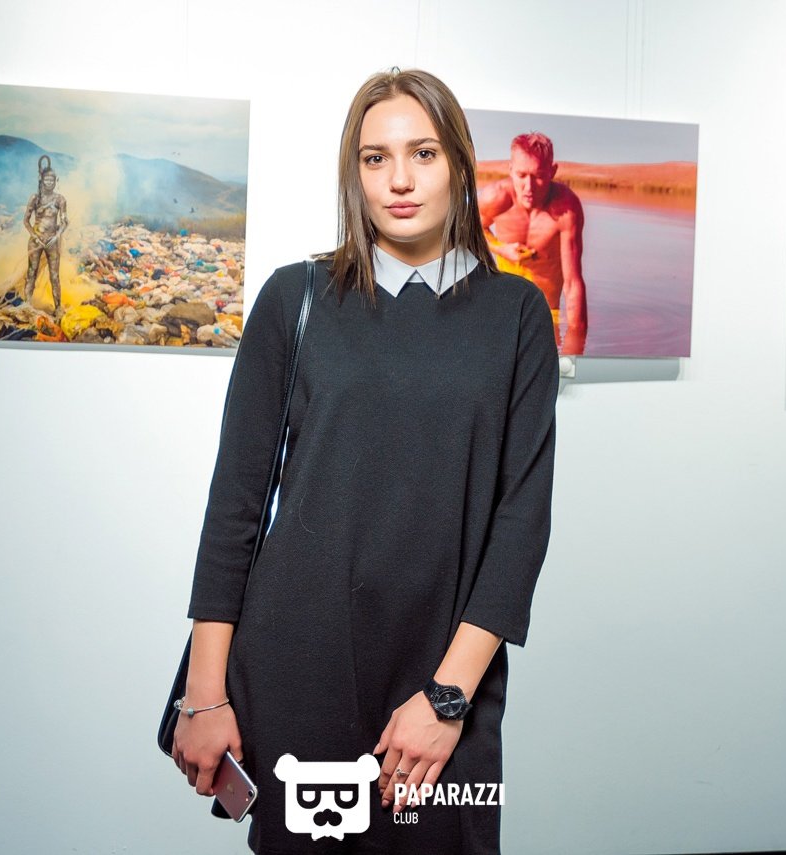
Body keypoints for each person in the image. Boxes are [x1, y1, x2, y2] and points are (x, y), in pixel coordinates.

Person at [171, 69, 558, 854]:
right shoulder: (296, 297)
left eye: (423, 153)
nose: (399, 180)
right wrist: (204, 694)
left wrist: (447, 697)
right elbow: (235, 503)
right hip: (297, 666)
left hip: (444, 671)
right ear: (354, 172)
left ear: (459, 163)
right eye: (375, 158)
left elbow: (519, 521)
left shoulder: (517, 314)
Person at [477, 132, 587, 353]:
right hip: (501, 308)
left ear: (552, 172)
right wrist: (501, 249)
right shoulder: (495, 198)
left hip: (545, 314)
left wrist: (576, 345)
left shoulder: (566, 209)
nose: (529, 187)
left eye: (538, 176)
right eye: (521, 175)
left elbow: (572, 283)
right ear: (510, 170)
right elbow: (465, 232)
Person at [23, 155, 68, 313]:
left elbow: (65, 222)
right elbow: (26, 221)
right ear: (42, 180)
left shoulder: (60, 200)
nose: (49, 182)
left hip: (52, 242)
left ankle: (58, 307)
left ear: (56, 181)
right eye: (46, 179)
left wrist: (57, 236)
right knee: (31, 273)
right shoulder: (35, 198)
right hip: (36, 241)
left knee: (54, 276)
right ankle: (27, 305)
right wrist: (35, 236)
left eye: (52, 179)